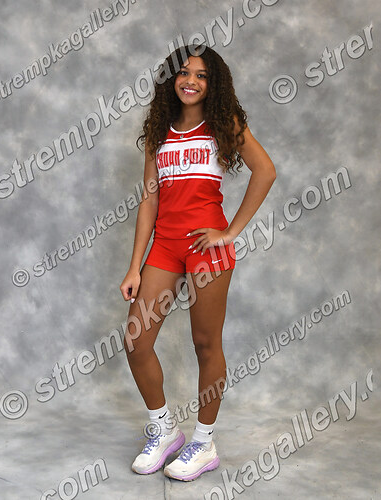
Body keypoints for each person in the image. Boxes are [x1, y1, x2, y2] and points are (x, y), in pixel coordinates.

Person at [119, 43, 276, 482]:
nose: (191, 81)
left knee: (206, 344)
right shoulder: (159, 132)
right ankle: (165, 430)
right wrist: (134, 266)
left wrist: (230, 231)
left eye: (202, 75)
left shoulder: (223, 123)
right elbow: (149, 201)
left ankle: (204, 442)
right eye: (184, 73)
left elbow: (266, 171)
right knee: (136, 340)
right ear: (172, 79)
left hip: (207, 249)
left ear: (213, 84)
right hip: (165, 247)